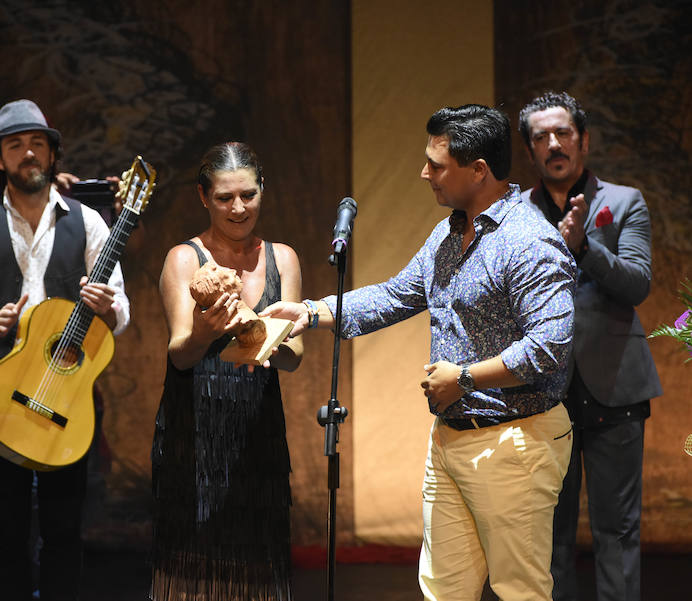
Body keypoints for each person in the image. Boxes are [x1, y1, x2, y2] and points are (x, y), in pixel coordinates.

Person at [264, 105, 577, 600]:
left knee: (520, 590)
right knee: (442, 590)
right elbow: (396, 294)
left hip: (516, 440)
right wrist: (310, 311)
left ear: (478, 170)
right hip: (452, 436)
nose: (424, 173)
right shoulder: (449, 232)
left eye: (437, 163)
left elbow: (549, 348)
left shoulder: (529, 240)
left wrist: (466, 378)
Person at [0, 99, 130, 601]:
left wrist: (106, 306)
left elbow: (122, 312)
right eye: (15, 145)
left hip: (66, 400)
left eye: (37, 144)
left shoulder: (90, 222)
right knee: (6, 533)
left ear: (52, 154)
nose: (28, 153)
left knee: (64, 533)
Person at [518, 91, 662, 601]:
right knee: (548, 538)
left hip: (615, 388)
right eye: (541, 137)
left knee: (617, 531)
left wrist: (585, 246)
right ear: (530, 150)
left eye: (563, 134)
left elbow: (637, 284)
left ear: (584, 140)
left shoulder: (624, 202)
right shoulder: (514, 213)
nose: (553, 144)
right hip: (541, 394)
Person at [151, 141, 303, 601]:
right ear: (203, 197)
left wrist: (258, 335)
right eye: (224, 198)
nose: (239, 208)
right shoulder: (184, 258)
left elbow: (295, 355)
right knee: (190, 574)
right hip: (194, 429)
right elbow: (180, 354)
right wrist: (204, 331)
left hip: (256, 430)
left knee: (257, 572)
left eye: (248, 195)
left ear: (262, 192)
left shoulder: (283, 258)